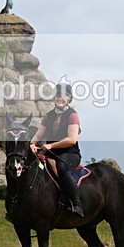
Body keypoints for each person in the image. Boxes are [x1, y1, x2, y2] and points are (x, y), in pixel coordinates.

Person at [30, 83, 84, 217]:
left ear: (69, 99)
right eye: (58, 95)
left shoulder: (73, 116)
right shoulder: (49, 116)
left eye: (64, 96)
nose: (60, 98)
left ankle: (76, 205)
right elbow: (38, 135)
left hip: (69, 153)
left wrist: (50, 146)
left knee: (62, 168)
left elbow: (72, 140)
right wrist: (32, 143)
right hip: (51, 152)